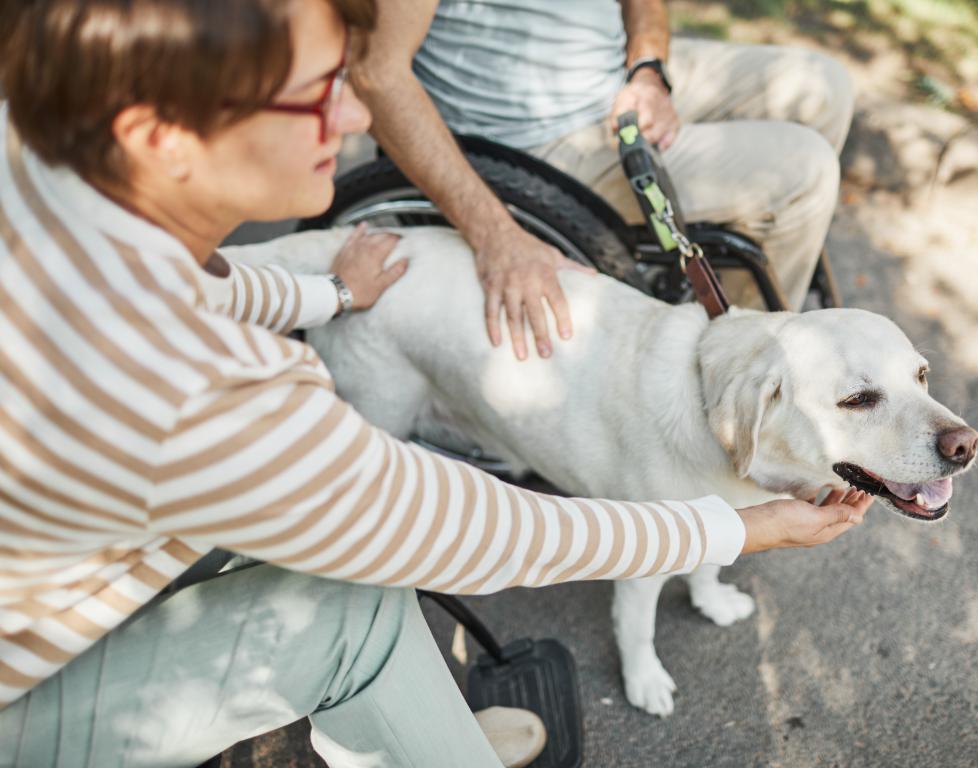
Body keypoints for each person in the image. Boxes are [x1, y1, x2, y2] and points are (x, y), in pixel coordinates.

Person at [0, 1, 872, 766]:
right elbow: (475, 532)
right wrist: (744, 529)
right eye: (316, 93)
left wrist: (332, 292)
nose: (353, 110)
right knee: (355, 615)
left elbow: (201, 282)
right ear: (159, 136)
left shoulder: (39, 169)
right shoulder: (208, 394)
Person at [354, 0, 854, 360]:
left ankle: (733, 313)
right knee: (802, 172)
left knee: (822, 87)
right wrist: (497, 236)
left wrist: (648, 72)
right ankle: (738, 369)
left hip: (609, 81)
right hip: (525, 146)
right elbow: (375, 75)